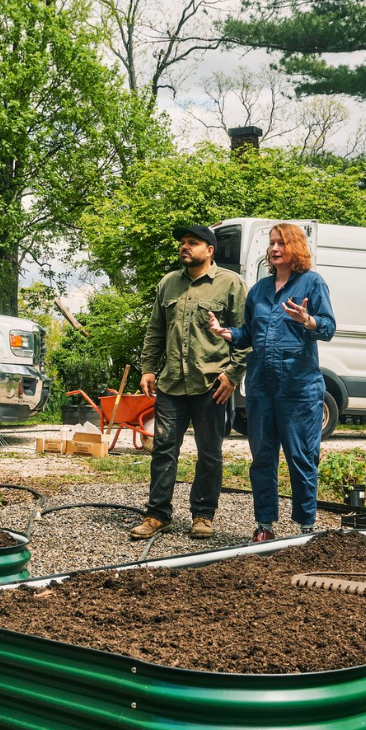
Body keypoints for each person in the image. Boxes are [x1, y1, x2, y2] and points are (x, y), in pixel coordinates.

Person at [208, 222, 335, 541]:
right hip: (262, 387)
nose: (275, 248)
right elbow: (248, 334)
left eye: (282, 243)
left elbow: (329, 328)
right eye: (272, 243)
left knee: (301, 456)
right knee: (262, 457)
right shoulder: (260, 290)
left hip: (299, 388)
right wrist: (229, 334)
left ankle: (307, 525)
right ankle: (264, 524)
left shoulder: (312, 283)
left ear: (296, 248)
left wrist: (308, 320)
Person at [129, 225, 249, 540]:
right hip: (171, 384)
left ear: (209, 250)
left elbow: (247, 335)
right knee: (164, 449)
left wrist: (233, 375)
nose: (184, 247)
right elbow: (155, 329)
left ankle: (203, 516)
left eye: (192, 243)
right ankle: (158, 515)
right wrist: (148, 368)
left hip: (213, 383)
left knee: (210, 451)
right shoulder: (168, 284)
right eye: (182, 243)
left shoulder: (231, 284)